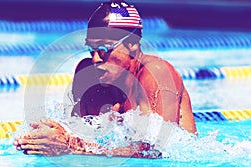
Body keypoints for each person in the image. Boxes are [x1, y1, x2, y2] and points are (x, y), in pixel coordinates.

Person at [14, 0, 197, 158]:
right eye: (91, 50)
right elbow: (82, 136)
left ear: (132, 44)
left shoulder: (157, 74)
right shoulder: (87, 76)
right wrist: (50, 137)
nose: (95, 59)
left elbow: (156, 151)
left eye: (104, 49)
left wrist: (72, 146)